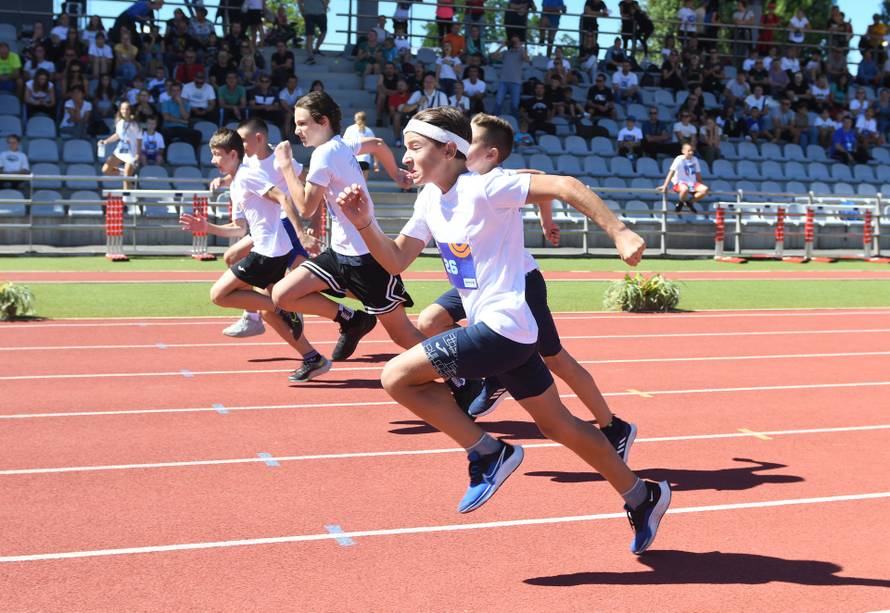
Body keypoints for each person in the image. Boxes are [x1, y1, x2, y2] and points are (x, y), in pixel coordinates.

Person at [335, 106, 670, 554]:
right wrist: (363, 224)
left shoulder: (488, 186)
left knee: (395, 376)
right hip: (503, 334)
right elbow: (396, 259)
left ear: (450, 149)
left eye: (415, 148)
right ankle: (642, 495)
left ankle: (489, 452)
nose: (406, 158)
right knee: (561, 426)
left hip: (505, 327)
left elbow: (566, 186)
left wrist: (621, 232)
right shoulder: (429, 200)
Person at [180, 127, 331, 382]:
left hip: (269, 252)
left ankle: (286, 305)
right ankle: (312, 358)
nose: (213, 160)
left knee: (219, 295)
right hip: (268, 249)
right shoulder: (236, 184)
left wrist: (302, 233)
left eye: (217, 155)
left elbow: (283, 197)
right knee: (265, 312)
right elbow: (238, 228)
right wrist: (207, 228)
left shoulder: (248, 176)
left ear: (233, 154)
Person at [99, 100, 141, 190]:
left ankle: (127, 201)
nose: (124, 111)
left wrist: (138, 154)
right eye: (122, 109)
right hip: (120, 150)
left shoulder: (135, 124)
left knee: (126, 180)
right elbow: (118, 135)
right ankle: (125, 173)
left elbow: (139, 139)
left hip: (131, 153)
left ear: (130, 110)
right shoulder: (119, 122)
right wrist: (106, 141)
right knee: (105, 170)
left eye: (126, 109)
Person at [658, 142, 709, 214]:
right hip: (680, 182)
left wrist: (700, 185)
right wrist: (665, 185)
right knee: (685, 189)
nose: (691, 152)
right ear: (683, 151)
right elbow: (671, 172)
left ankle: (689, 202)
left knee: (705, 189)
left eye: (692, 151)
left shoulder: (695, 159)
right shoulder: (679, 159)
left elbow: (698, 173)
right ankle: (681, 203)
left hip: (692, 183)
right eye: (689, 151)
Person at [343, 111, 377, 178]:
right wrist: (376, 163)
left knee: (353, 184)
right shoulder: (369, 131)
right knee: (363, 185)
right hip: (365, 160)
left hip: (352, 160)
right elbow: (375, 147)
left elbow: (344, 145)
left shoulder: (350, 129)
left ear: (355, 119)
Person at [300, 0, 329, 65]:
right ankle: (310, 57)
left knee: (324, 31)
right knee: (309, 35)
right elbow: (299, 1)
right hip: (309, 14)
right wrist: (302, 11)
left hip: (321, 13)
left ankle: (316, 49)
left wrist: (325, 8)